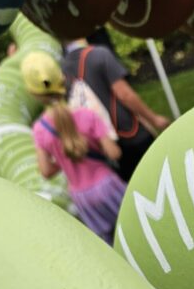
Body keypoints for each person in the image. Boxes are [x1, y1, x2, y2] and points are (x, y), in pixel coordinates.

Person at [22, 52, 126, 246]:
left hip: (82, 197)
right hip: (108, 186)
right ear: (62, 79)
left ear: (33, 93)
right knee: (133, 227)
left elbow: (46, 171)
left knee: (111, 245)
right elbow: (114, 153)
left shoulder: (39, 130)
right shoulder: (87, 115)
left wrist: (65, 158)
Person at [60, 38, 171, 182]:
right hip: (130, 133)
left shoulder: (62, 68)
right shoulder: (99, 54)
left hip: (104, 143)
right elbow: (124, 94)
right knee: (161, 177)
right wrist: (153, 119)